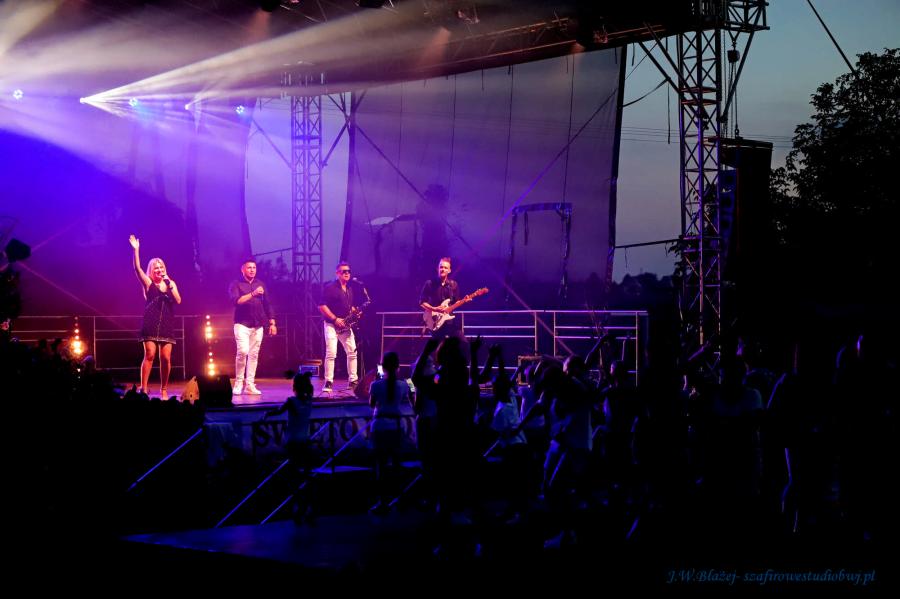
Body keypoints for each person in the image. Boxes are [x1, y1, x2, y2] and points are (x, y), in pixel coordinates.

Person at [129, 234, 181, 399]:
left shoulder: (171, 283)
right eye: (156, 268)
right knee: (150, 354)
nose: (159, 270)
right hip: (150, 322)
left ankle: (163, 389)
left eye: (161, 267)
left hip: (166, 323)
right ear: (151, 271)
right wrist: (136, 250)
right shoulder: (148, 283)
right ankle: (144, 389)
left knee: (165, 357)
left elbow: (178, 300)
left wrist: (169, 284)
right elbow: (137, 269)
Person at [368, 351, 412, 514]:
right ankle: (401, 500)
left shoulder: (376, 385)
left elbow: (372, 404)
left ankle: (383, 502)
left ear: (383, 367)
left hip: (380, 426)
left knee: (381, 466)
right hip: (396, 426)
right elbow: (412, 396)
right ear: (398, 367)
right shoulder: (404, 384)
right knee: (397, 465)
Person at [228, 258, 276, 395]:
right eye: (249, 267)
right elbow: (236, 301)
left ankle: (249, 384)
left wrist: (272, 322)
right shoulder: (236, 284)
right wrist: (253, 293)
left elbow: (267, 304)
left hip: (258, 324)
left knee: (254, 355)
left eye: (254, 267)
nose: (252, 270)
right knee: (243, 351)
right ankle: (238, 382)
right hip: (242, 324)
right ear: (242, 269)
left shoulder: (260, 284)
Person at [317, 261, 359, 393]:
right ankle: (328, 381)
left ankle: (353, 381)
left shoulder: (349, 289)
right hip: (331, 324)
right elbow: (321, 306)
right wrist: (335, 319)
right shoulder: (330, 287)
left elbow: (348, 307)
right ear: (337, 273)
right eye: (344, 271)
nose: (347, 273)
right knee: (331, 353)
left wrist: (354, 312)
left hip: (345, 325)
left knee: (352, 352)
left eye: (348, 271)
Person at [419, 257, 460, 338]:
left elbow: (456, 302)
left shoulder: (454, 285)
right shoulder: (429, 284)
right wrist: (434, 309)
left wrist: (465, 300)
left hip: (449, 321)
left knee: (462, 340)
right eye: (441, 267)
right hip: (435, 321)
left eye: (445, 268)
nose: (443, 269)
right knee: (437, 343)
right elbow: (422, 302)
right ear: (437, 269)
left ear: (449, 270)